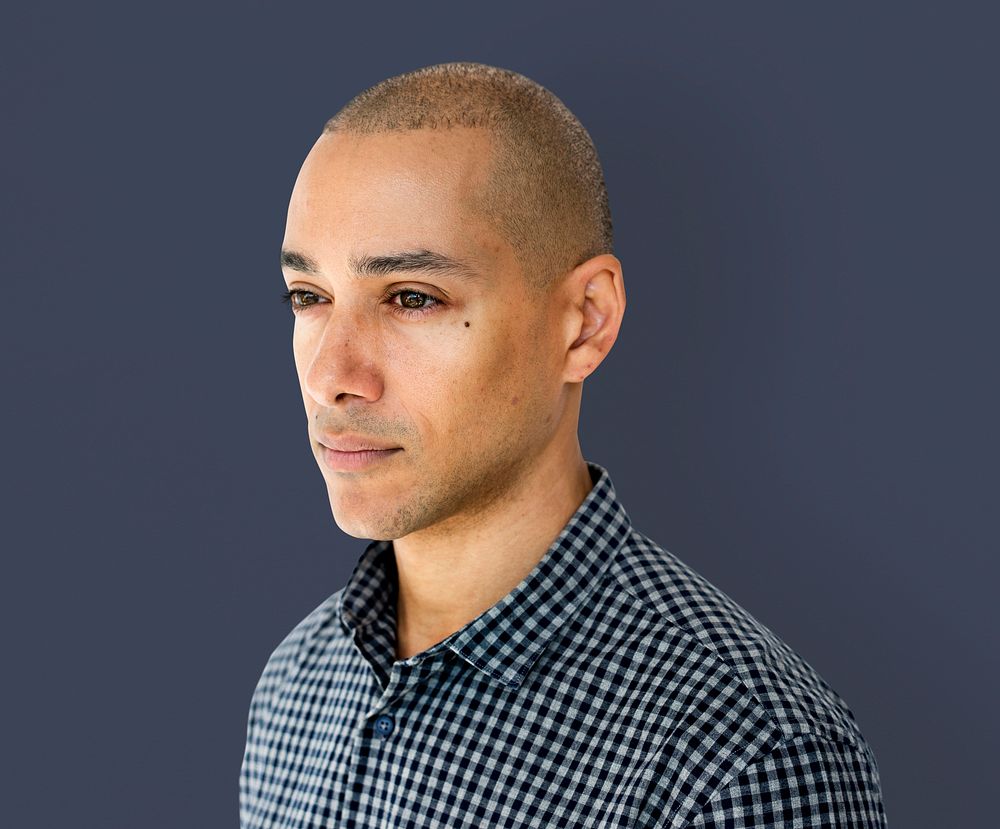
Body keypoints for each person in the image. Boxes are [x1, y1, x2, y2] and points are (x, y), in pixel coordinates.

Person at [239, 62, 887, 828]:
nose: (331, 377)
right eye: (309, 297)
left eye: (412, 298)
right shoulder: (298, 683)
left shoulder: (743, 755)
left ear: (585, 320)